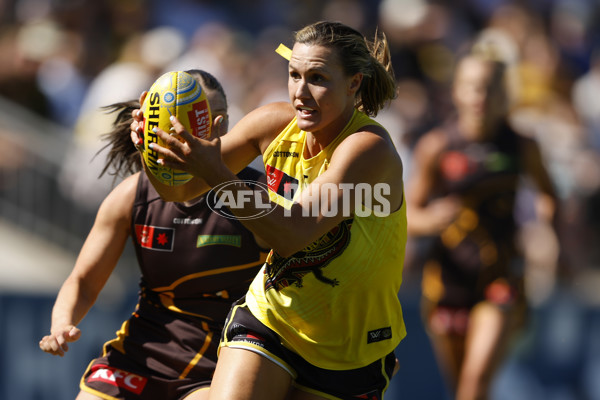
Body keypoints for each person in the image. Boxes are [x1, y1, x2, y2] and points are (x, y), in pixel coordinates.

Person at [130, 21, 407, 400]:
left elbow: (292, 233)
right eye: (294, 75)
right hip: (271, 317)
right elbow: (178, 189)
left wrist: (215, 172)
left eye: (318, 78)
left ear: (354, 83)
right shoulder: (272, 123)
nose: (300, 93)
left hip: (350, 345)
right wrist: (155, 149)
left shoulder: (368, 148)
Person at [39, 69, 269, 400]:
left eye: (208, 117)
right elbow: (84, 281)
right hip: (141, 351)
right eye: (188, 117)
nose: (198, 128)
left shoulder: (253, 194)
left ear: (224, 125)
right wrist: (61, 324)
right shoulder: (131, 196)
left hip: (221, 359)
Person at [404, 50, 559, 400]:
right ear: (457, 91)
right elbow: (408, 214)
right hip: (447, 281)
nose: (481, 97)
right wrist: (433, 219)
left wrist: (545, 229)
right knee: (462, 388)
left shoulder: (522, 145)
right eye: (474, 87)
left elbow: (549, 195)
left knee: (476, 382)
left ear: (506, 93)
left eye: (491, 88)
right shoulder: (438, 147)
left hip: (501, 276)